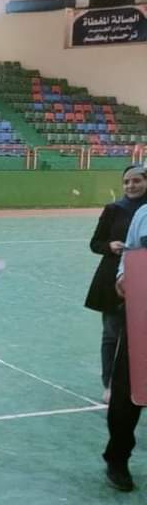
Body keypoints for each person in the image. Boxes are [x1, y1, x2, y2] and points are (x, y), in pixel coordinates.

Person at [85, 165, 147, 400]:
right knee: (112, 334)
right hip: (113, 278)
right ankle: (110, 384)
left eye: (137, 181)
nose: (131, 186)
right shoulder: (114, 209)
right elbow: (95, 243)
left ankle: (139, 384)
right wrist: (109, 246)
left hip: (143, 278)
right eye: (126, 182)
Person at [103, 200, 147, 492]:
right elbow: (131, 253)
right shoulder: (144, 214)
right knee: (128, 390)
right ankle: (117, 458)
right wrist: (122, 275)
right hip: (143, 313)